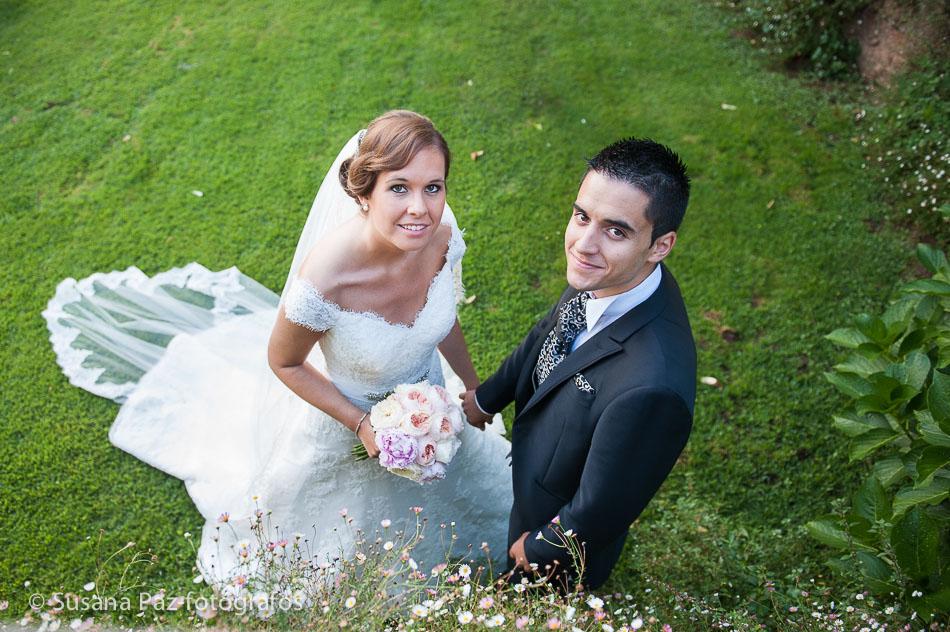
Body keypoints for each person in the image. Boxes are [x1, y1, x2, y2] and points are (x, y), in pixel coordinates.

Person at [43, 110, 513, 585]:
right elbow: (284, 361)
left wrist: (473, 389)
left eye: (433, 187)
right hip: (346, 424)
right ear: (363, 192)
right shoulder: (327, 277)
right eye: (399, 187)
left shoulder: (442, 238)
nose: (420, 208)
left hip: (431, 408)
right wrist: (362, 424)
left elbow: (442, 315)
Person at [461, 137, 696, 591]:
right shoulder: (610, 277)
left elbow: (602, 505)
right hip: (530, 482)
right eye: (581, 216)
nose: (582, 244)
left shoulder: (652, 387)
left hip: (554, 548)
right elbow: (545, 336)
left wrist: (538, 550)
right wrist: (486, 400)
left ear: (660, 245)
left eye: (616, 231)